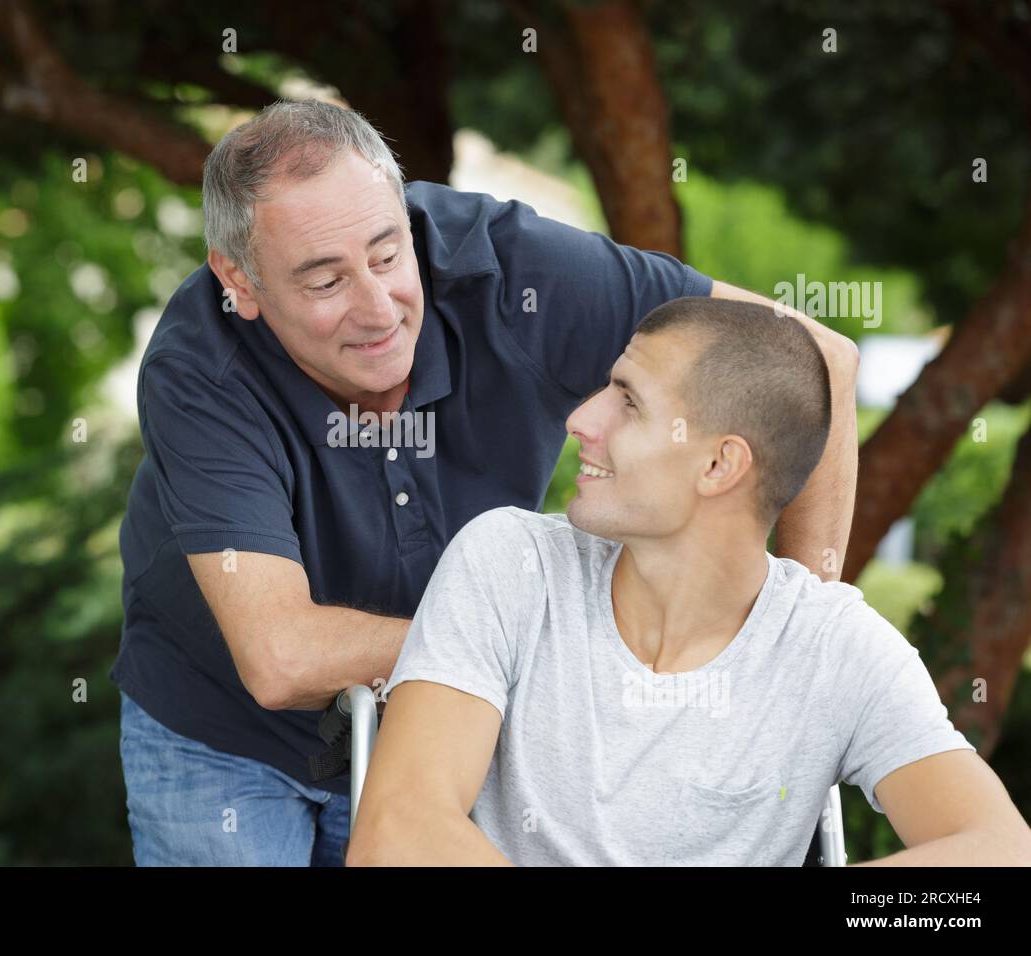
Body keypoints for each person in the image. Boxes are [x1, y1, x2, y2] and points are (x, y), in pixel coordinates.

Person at [112, 98, 860, 866]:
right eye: (325, 281)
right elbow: (281, 659)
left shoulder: (517, 270)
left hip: (444, 726)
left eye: (386, 255)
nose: (377, 309)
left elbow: (813, 359)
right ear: (240, 280)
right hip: (222, 735)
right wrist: (543, 658)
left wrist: (786, 643)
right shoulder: (199, 370)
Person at [346, 298, 1031, 866]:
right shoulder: (510, 563)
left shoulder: (835, 649)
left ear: (718, 467)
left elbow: (999, 851)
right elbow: (397, 831)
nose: (581, 419)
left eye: (628, 402)